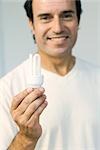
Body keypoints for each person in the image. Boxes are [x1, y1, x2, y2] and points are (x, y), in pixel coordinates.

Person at [0, 0, 100, 149]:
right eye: (45, 17)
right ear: (32, 24)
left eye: (66, 15)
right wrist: (26, 138)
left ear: (78, 20)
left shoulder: (97, 78)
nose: (58, 28)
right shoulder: (7, 88)